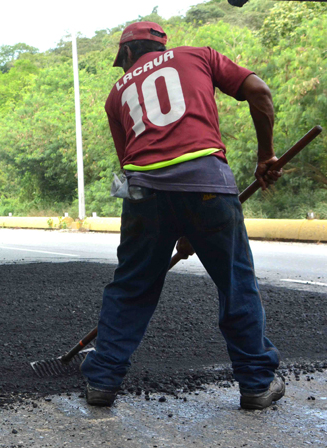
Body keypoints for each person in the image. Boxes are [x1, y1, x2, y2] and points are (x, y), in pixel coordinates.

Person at [80, 22, 284, 411]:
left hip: (143, 193)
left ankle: (102, 380)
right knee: (236, 283)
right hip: (206, 184)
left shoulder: (117, 93)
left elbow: (130, 166)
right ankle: (257, 384)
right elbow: (259, 91)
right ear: (160, 46)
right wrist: (265, 157)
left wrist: (176, 225)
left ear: (126, 54)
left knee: (130, 287)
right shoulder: (199, 56)